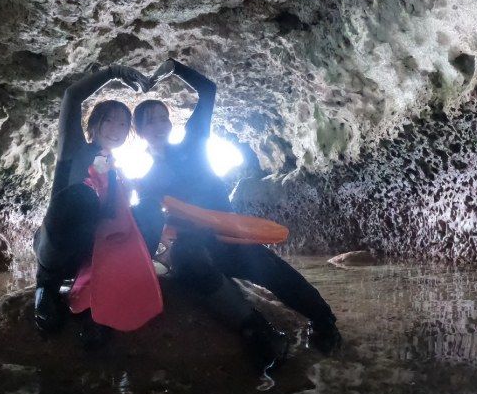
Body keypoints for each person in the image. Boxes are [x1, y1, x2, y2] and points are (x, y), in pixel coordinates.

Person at [132, 58, 341, 372]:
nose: (160, 124)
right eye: (151, 121)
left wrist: (173, 67)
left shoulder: (193, 142)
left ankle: (324, 320)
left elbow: (208, 90)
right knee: (187, 263)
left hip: (227, 236)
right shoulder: (147, 179)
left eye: (163, 118)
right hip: (195, 244)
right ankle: (259, 330)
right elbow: (153, 223)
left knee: (269, 269)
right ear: (139, 131)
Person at [33, 63, 148, 346]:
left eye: (123, 123)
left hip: (89, 257)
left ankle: (93, 300)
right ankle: (45, 288)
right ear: (95, 123)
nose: (116, 128)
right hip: (56, 246)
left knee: (143, 212)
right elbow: (72, 96)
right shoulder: (74, 148)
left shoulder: (116, 170)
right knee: (83, 196)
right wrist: (112, 72)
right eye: (110, 120)